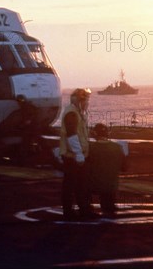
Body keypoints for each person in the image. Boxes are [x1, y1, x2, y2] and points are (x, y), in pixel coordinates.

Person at [59, 88, 94, 220]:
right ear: (79, 101)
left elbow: (79, 133)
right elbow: (72, 134)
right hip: (72, 157)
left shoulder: (78, 113)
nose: (87, 103)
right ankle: (71, 211)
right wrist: (78, 153)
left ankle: (83, 209)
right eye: (85, 100)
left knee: (80, 184)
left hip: (78, 156)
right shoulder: (72, 113)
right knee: (72, 185)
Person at [88, 123, 127, 217]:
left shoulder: (91, 148)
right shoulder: (117, 147)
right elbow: (124, 168)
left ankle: (87, 207)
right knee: (109, 184)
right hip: (112, 186)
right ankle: (110, 205)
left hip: (96, 185)